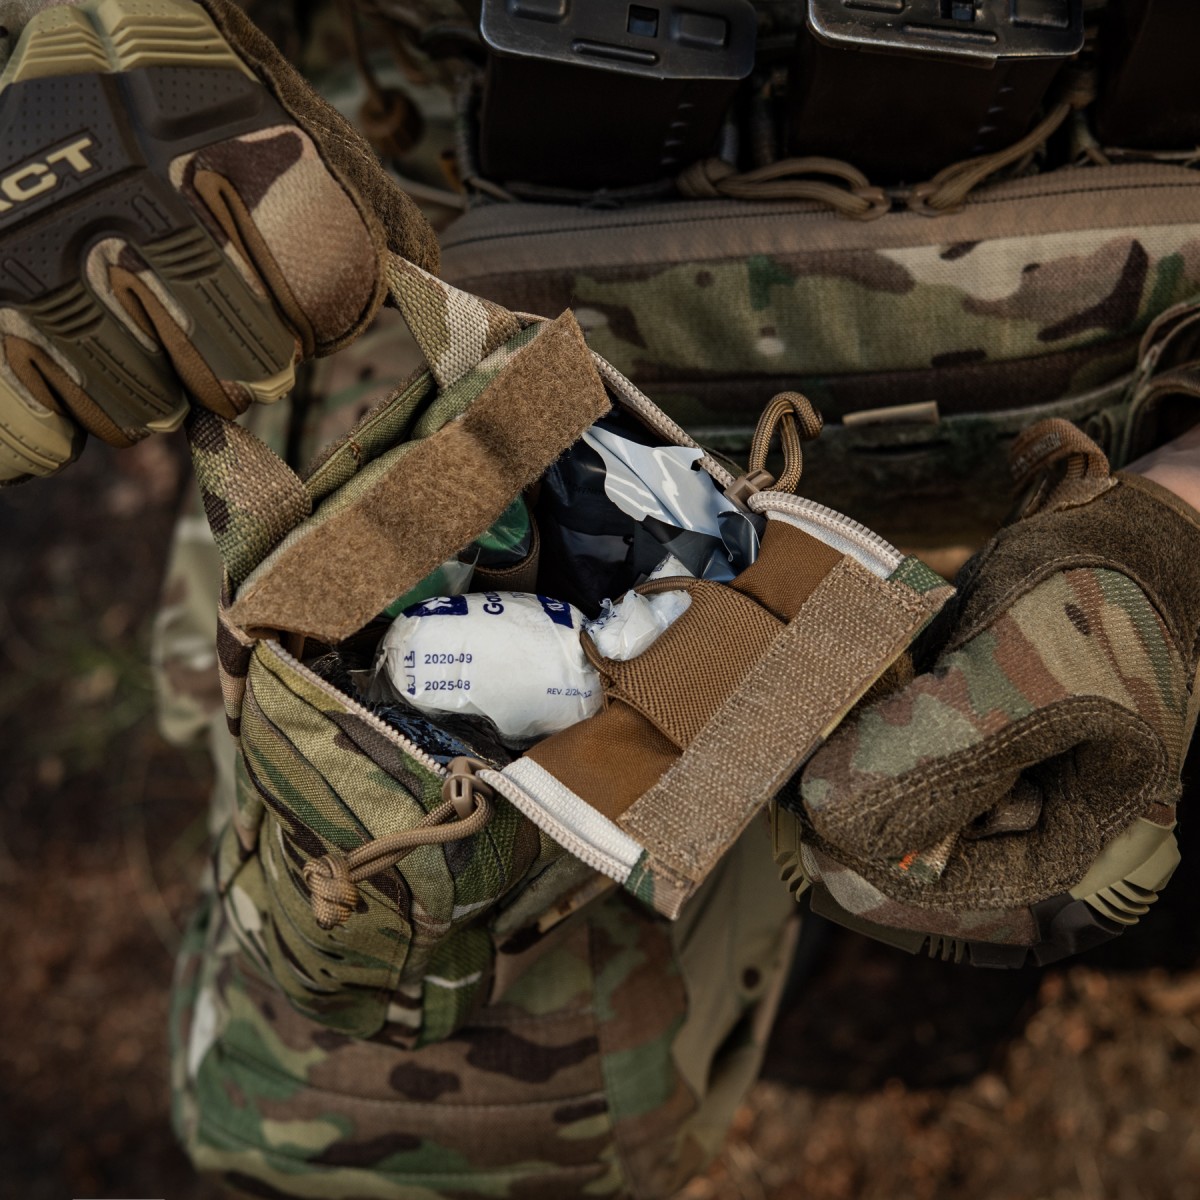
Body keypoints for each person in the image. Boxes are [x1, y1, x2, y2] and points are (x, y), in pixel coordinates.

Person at [3, 0, 1199, 1195]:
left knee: (1067, 843)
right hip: (438, 279)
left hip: (1134, 382)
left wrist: (1171, 530)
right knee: (387, 1132)